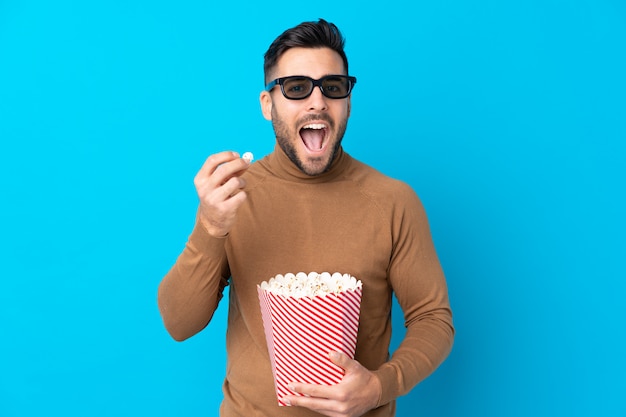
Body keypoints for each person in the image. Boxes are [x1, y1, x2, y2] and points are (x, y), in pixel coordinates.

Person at [158, 18, 454, 417]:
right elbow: (179, 323)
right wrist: (209, 227)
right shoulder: (232, 199)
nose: (317, 102)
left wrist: (380, 386)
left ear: (348, 101)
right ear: (268, 104)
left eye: (332, 87)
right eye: (297, 88)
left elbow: (433, 319)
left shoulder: (393, 202)